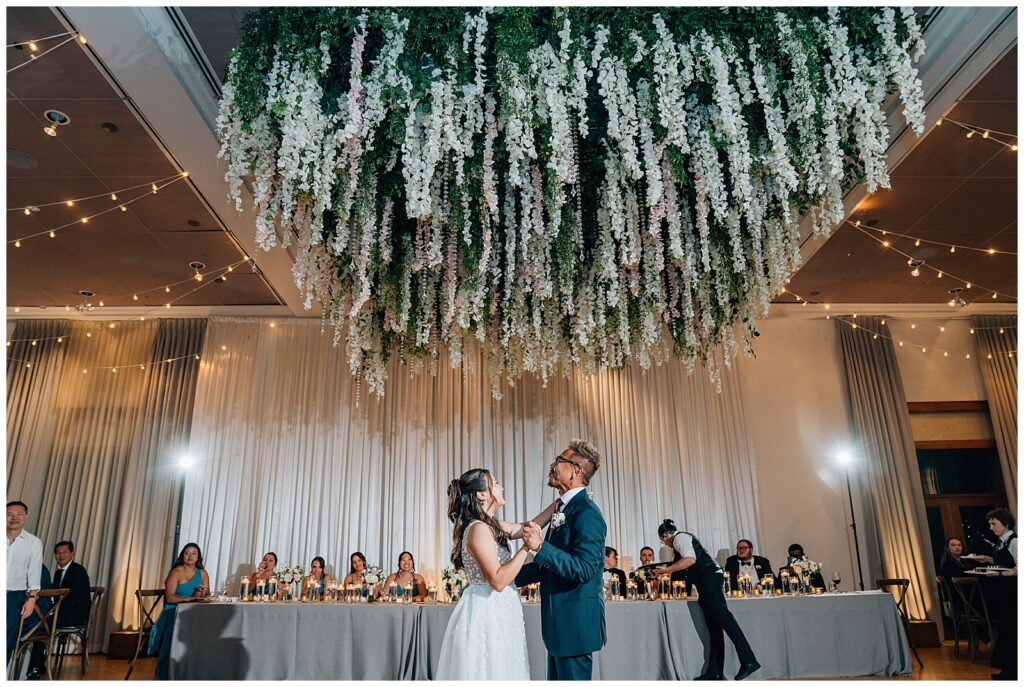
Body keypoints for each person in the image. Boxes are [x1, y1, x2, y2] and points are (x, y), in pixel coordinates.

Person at [515, 439, 608, 680]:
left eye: (559, 460)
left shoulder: (587, 514)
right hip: (559, 627)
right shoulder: (562, 510)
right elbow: (549, 566)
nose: (553, 464)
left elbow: (585, 569)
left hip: (575, 626)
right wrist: (504, 576)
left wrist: (540, 546)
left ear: (576, 470)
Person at [436, 469, 535, 679]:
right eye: (496, 483)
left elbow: (529, 526)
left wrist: (559, 505)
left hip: (502, 608)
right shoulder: (478, 529)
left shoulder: (492, 525)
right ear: (482, 494)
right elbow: (498, 580)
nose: (501, 487)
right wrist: (526, 547)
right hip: (488, 611)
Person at [654, 519, 760, 681]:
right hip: (706, 582)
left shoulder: (679, 539)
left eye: (662, 540)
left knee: (726, 620)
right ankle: (715, 672)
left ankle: (749, 660)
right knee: (715, 627)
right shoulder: (680, 541)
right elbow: (682, 562)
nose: (664, 543)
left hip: (709, 580)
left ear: (665, 535)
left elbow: (690, 560)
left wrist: (667, 570)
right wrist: (665, 569)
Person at [27, 541, 92, 678]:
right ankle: (37, 664)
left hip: (74, 615)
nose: (61, 556)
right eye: (58, 553)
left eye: (64, 553)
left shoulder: (78, 571)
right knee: (39, 620)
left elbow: (73, 599)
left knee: (40, 625)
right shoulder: (58, 573)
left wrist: (52, 610)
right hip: (62, 612)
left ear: (71, 554)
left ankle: (35, 667)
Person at [148, 543, 210, 680]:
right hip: (173, 612)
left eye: (194, 553)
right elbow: (169, 598)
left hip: (194, 614)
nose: (190, 556)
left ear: (198, 556)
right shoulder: (176, 572)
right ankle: (169, 674)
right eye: (187, 553)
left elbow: (207, 596)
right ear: (182, 555)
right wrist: (191, 598)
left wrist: (201, 594)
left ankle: (192, 673)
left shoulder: (203, 573)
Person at [7, 501, 42, 666]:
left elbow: (34, 573)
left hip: (13, 598)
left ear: (25, 517)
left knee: (6, 641)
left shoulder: (33, 543)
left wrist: (32, 599)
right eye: (9, 514)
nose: (14, 518)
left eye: (19, 514)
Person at [985, 508, 1017, 681]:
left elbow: (1019, 568)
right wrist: (988, 559)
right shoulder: (1001, 542)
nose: (991, 527)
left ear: (1005, 524)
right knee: (1006, 628)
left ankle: (1015, 672)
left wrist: (998, 574)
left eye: (993, 524)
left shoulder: (1015, 541)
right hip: (1003, 592)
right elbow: (1005, 561)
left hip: (1013, 593)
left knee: (1013, 629)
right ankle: (1009, 669)